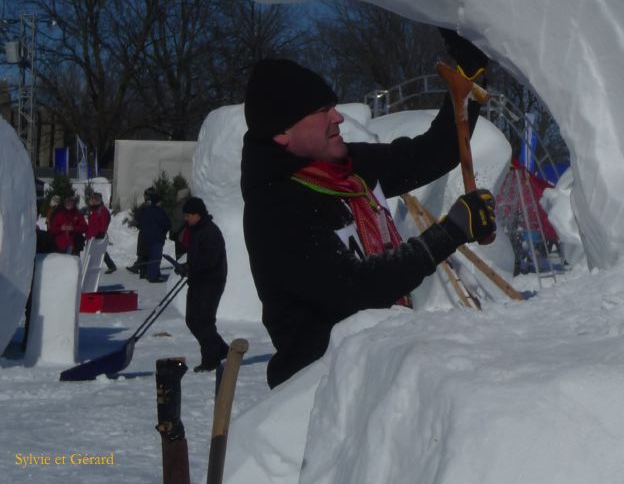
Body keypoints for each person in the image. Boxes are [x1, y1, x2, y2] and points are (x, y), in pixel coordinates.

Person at [241, 30, 497, 388]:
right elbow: (356, 290)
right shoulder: (275, 208)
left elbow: (431, 155)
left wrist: (469, 80)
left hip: (377, 372)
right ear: (282, 133)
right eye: (320, 111)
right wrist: (449, 232)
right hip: (316, 393)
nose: (338, 117)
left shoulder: (349, 167)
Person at [170, 196, 229, 372]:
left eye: (189, 215)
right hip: (197, 281)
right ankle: (221, 349)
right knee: (193, 320)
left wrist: (190, 267)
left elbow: (209, 260)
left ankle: (211, 360)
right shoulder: (196, 230)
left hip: (211, 281)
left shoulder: (210, 231)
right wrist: (185, 267)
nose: (186, 218)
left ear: (199, 214)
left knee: (203, 321)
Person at [136, 188, 171, 282]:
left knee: (151, 257)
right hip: (157, 237)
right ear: (158, 202)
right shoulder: (159, 212)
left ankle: (150, 274)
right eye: (160, 202)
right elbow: (167, 224)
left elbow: (140, 221)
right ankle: (153, 276)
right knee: (156, 258)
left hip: (147, 238)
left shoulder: (146, 210)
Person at [84, 192, 117, 274]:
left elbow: (104, 223)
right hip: (91, 235)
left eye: (95, 199)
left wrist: (100, 233)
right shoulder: (92, 209)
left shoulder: (101, 210)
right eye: (92, 199)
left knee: (97, 252)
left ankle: (91, 269)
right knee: (99, 251)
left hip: (97, 235)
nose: (93, 201)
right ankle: (111, 266)